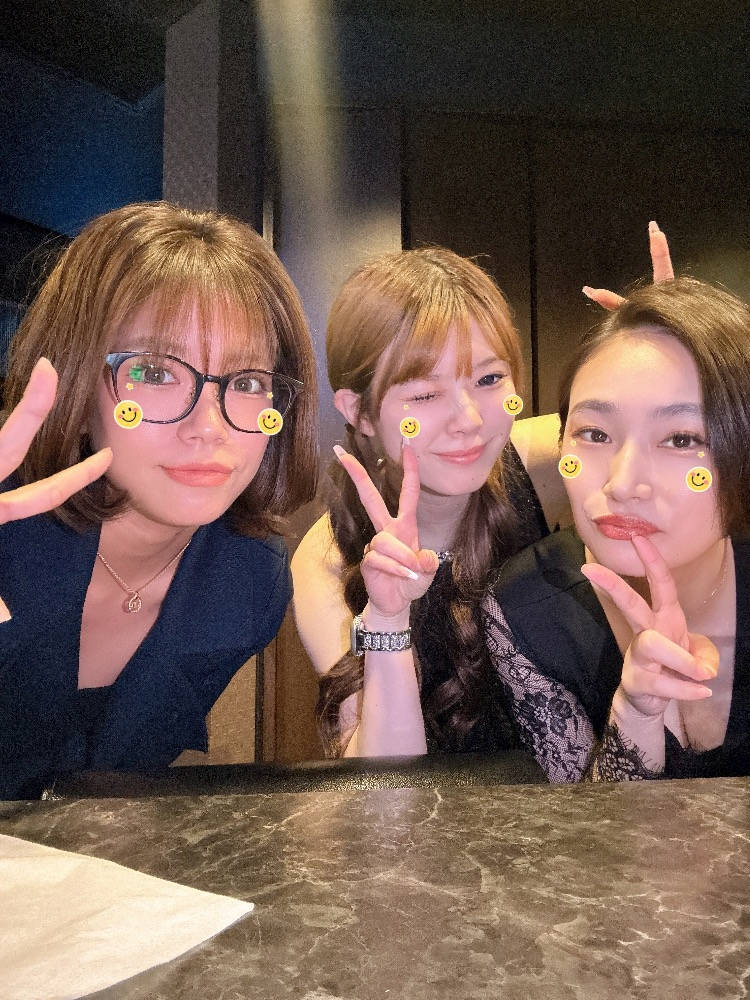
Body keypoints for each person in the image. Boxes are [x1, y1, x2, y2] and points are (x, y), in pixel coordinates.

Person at [292, 226, 672, 758]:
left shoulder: (537, 461)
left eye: (489, 380)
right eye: (425, 394)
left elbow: (694, 449)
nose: (469, 420)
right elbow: (380, 781)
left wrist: (680, 360)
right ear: (360, 412)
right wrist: (387, 619)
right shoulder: (328, 560)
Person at [0, 201, 318, 799]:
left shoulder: (248, 580)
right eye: (153, 372)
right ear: (74, 380)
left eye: (247, 382)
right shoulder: (10, 526)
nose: (209, 428)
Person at [483, 276, 750, 781]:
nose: (622, 484)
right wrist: (636, 713)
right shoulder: (528, 609)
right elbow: (589, 829)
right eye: (594, 433)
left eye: (681, 439)